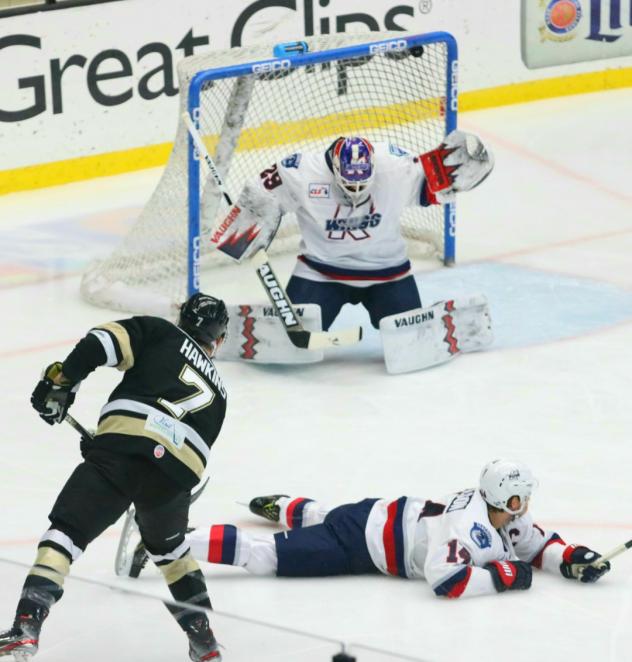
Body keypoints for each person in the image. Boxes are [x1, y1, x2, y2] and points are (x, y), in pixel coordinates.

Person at [0, 293, 229, 661]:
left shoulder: (159, 332)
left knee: (67, 532)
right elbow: (183, 451)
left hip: (122, 453)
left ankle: (27, 627)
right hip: (175, 478)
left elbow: (99, 342)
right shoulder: (221, 393)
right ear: (218, 341)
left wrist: (63, 381)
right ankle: (206, 645)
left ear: (181, 318)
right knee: (172, 553)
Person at [213, 131, 495, 371]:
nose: (356, 191)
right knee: (291, 345)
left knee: (409, 344)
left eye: (363, 183)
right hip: (321, 272)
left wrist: (459, 170)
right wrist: (247, 222)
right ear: (335, 169)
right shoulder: (300, 172)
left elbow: (433, 183)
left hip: (387, 273)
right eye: (349, 184)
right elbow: (261, 193)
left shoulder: (395, 167)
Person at [126, 459, 610, 598]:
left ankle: (285, 505)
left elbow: (538, 543)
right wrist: (508, 579)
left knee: (328, 514)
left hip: (377, 514)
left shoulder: (502, 514)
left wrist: (572, 559)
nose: (528, 508)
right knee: (268, 556)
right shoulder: (469, 527)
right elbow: (448, 581)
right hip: (360, 545)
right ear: (508, 498)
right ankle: (167, 538)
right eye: (523, 498)